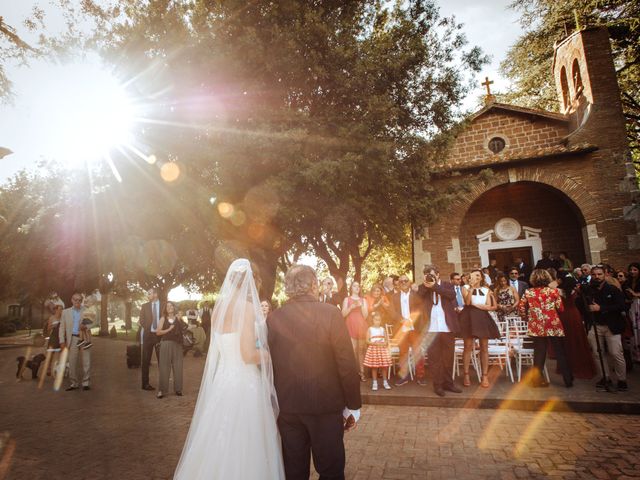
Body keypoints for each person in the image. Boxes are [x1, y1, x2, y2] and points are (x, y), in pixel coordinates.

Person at [174, 259, 285, 479]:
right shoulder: (247, 308)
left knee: (215, 440)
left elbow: (220, 348)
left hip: (223, 383)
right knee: (247, 442)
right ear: (252, 281)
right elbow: (248, 355)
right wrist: (272, 355)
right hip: (245, 385)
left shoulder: (218, 310)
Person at [268, 264, 361, 480]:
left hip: (289, 407)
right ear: (313, 285)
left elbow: (270, 365)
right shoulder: (331, 313)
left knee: (294, 472)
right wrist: (353, 405)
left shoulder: (274, 318)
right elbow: (346, 362)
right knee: (331, 471)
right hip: (326, 407)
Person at [518, 269, 573, 388]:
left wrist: (527, 318)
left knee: (539, 353)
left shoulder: (528, 292)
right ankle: (568, 380)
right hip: (552, 324)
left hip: (537, 325)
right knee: (560, 352)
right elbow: (561, 308)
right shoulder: (553, 291)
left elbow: (521, 308)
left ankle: (537, 381)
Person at [417, 265, 462, 397]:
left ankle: (448, 383)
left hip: (447, 328)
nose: (429, 278)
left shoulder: (447, 285)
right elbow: (418, 297)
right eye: (426, 275)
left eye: (431, 275)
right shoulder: (423, 287)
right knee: (434, 359)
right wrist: (427, 286)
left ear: (437, 274)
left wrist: (435, 286)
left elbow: (452, 295)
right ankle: (438, 385)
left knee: (448, 358)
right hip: (431, 329)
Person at [584, 265, 628, 391]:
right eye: (594, 275)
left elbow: (621, 306)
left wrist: (601, 308)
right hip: (596, 325)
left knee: (615, 353)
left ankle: (621, 379)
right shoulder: (589, 290)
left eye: (599, 274)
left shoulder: (613, 289)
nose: (597, 277)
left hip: (612, 325)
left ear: (605, 275)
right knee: (597, 353)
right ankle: (605, 377)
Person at [460, 269, 500, 388]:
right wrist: (471, 288)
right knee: (467, 347)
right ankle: (466, 374)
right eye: (473, 275)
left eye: (478, 275)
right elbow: (467, 303)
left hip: (482, 317)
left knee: (484, 347)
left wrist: (478, 305)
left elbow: (489, 305)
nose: (476, 277)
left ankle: (485, 376)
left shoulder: (486, 290)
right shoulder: (465, 287)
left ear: (482, 278)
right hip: (468, 317)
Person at [557, 275, 595, 379]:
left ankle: (568, 366)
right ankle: (581, 364)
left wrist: (558, 281)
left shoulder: (558, 291)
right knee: (578, 339)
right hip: (575, 315)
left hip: (564, 316)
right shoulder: (576, 292)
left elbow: (551, 286)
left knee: (566, 341)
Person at [390, 273, 426, 386]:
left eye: (405, 281)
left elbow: (421, 309)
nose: (403, 283)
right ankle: (404, 376)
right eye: (401, 281)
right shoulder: (394, 297)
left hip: (414, 327)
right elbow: (392, 312)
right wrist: (401, 320)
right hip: (401, 328)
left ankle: (420, 376)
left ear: (409, 282)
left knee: (418, 352)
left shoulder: (416, 295)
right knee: (403, 353)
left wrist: (412, 319)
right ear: (398, 284)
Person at [59, 293, 93, 391]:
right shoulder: (65, 312)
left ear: (81, 301)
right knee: (72, 362)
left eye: (79, 300)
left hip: (85, 338)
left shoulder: (87, 311)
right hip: (72, 339)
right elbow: (61, 328)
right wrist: (62, 341)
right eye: (75, 300)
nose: (77, 302)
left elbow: (94, 322)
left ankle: (86, 383)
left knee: (86, 361)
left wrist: (86, 326)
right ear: (72, 300)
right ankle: (74, 383)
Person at [156, 301, 185, 398]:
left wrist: (180, 319)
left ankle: (178, 389)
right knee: (164, 367)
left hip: (177, 345)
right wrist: (169, 329)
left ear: (174, 307)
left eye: (171, 305)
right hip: (165, 344)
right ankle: (162, 390)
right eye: (167, 306)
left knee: (178, 367)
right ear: (165, 309)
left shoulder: (178, 318)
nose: (169, 307)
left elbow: (184, 328)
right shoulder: (163, 318)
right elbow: (158, 332)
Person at [341, 281, 369, 381]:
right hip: (350, 324)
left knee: (361, 351)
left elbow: (365, 316)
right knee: (352, 350)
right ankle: (352, 373)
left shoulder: (363, 300)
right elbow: (343, 314)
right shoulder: (346, 299)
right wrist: (351, 307)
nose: (357, 287)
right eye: (354, 286)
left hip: (361, 325)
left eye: (358, 286)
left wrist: (361, 306)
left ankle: (362, 373)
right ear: (351, 288)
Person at [363, 311, 392, 391]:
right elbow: (367, 340)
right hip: (374, 349)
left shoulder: (382, 329)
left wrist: (383, 343)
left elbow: (386, 341)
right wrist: (374, 343)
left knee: (384, 367)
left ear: (381, 320)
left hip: (382, 349)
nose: (377, 321)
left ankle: (385, 382)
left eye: (379, 320)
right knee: (374, 367)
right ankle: (375, 382)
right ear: (373, 320)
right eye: (376, 320)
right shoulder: (370, 329)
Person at [139, 288, 161, 391]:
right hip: (148, 336)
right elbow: (141, 321)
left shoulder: (164, 305)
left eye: (150, 293)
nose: (148, 295)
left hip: (160, 336)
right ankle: (145, 384)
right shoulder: (144, 306)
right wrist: (149, 328)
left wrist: (160, 330)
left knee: (162, 361)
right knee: (145, 361)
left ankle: (163, 384)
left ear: (155, 294)